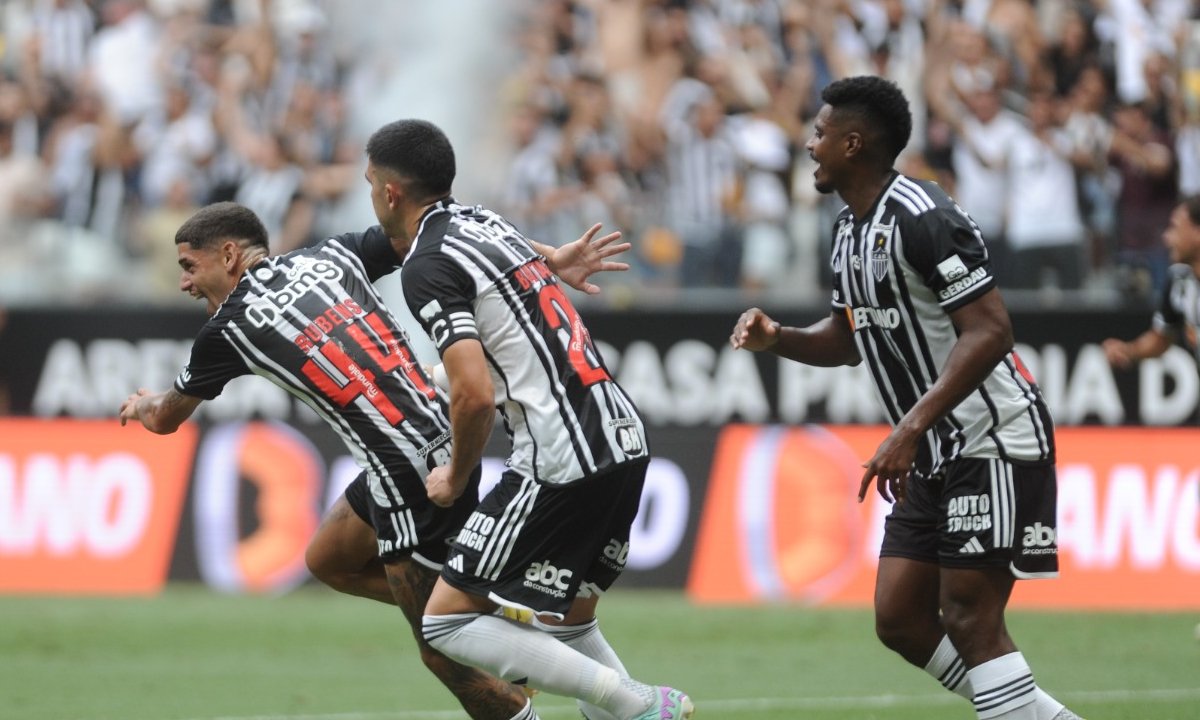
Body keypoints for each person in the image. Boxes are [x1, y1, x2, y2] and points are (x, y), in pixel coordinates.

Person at [118, 200, 629, 720]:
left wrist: (139, 406)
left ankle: (502, 641)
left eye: (189, 265)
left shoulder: (228, 327)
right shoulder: (330, 256)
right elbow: (428, 235)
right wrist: (543, 259)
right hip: (441, 438)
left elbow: (165, 418)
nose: (185, 282)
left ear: (228, 255)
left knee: (443, 648)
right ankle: (495, 618)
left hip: (406, 475)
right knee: (328, 560)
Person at [730, 76, 1083, 720]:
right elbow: (846, 338)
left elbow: (992, 329)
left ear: (853, 143)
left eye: (819, 133)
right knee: (899, 618)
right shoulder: (846, 232)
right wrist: (776, 337)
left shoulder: (925, 216)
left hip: (991, 436)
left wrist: (912, 427)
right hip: (931, 447)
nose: (809, 146)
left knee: (969, 619)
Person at [362, 118, 693, 720]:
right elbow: (515, 268)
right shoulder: (482, 221)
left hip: (559, 456)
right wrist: (551, 262)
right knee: (568, 624)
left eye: (369, 182)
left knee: (447, 622)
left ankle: (637, 703)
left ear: (389, 192)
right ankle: (638, 712)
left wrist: (455, 479)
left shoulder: (426, 265)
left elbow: (474, 398)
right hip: (622, 437)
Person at [1103, 195, 1200, 372]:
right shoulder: (1179, 280)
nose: (1167, 238)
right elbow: (1161, 338)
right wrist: (1129, 351)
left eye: (1175, 228)